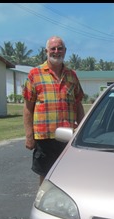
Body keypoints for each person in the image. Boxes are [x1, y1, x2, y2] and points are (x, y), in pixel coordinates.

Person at [23, 36, 85, 185]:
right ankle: (45, 206)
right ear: (46, 51)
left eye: (60, 48)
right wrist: (29, 136)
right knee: (46, 177)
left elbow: (78, 104)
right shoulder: (34, 74)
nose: (56, 51)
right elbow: (27, 108)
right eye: (53, 48)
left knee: (67, 176)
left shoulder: (72, 76)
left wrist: (83, 129)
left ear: (65, 51)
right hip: (44, 137)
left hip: (68, 137)